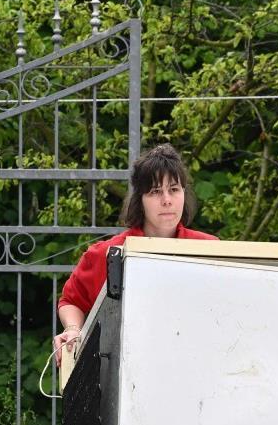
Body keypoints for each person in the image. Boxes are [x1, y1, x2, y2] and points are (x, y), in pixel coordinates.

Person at [54, 144, 217, 363]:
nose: (167, 200)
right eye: (156, 191)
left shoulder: (211, 249)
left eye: (174, 189)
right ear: (139, 199)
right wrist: (73, 329)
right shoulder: (105, 254)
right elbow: (71, 300)